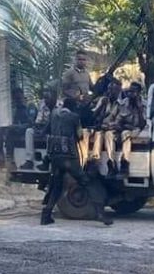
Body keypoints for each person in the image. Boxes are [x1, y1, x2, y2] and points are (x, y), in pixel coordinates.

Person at [41, 97, 112, 226]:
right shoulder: (74, 117)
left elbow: (45, 131)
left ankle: (46, 215)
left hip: (54, 156)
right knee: (86, 182)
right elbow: (80, 136)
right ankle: (100, 214)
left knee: (56, 185)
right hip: (69, 156)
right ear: (73, 107)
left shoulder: (54, 114)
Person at [0, 88, 34, 171]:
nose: (17, 101)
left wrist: (17, 127)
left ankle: (10, 160)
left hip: (26, 130)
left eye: (19, 98)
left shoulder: (29, 107)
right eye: (15, 99)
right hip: (15, 129)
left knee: (10, 131)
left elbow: (31, 123)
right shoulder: (15, 108)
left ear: (23, 96)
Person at [61, 50, 94, 163]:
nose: (82, 61)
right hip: (73, 106)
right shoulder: (69, 73)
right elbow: (64, 89)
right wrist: (76, 97)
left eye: (84, 59)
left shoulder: (87, 74)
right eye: (79, 59)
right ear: (75, 60)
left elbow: (91, 88)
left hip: (85, 105)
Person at [20, 88, 57, 170]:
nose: (45, 100)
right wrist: (36, 127)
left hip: (54, 130)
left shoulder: (59, 106)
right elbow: (39, 120)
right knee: (29, 131)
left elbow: (54, 122)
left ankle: (47, 162)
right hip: (43, 128)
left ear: (53, 97)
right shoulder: (43, 104)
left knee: (51, 136)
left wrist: (44, 131)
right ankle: (29, 161)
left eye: (47, 97)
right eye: (44, 97)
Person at [92, 79, 123, 176]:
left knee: (109, 135)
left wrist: (108, 126)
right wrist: (101, 106)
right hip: (102, 128)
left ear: (118, 91)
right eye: (109, 89)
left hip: (115, 130)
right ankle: (95, 162)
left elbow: (119, 122)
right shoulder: (103, 100)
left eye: (112, 90)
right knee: (99, 134)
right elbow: (93, 116)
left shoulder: (121, 104)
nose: (109, 92)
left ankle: (111, 163)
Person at [116, 82, 147, 176]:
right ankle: (124, 163)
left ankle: (124, 161)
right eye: (129, 91)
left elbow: (143, 124)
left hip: (141, 129)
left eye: (133, 92)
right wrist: (123, 126)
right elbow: (119, 120)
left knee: (127, 134)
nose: (130, 94)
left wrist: (139, 108)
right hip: (127, 129)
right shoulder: (124, 102)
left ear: (138, 93)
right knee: (125, 134)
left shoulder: (144, 104)